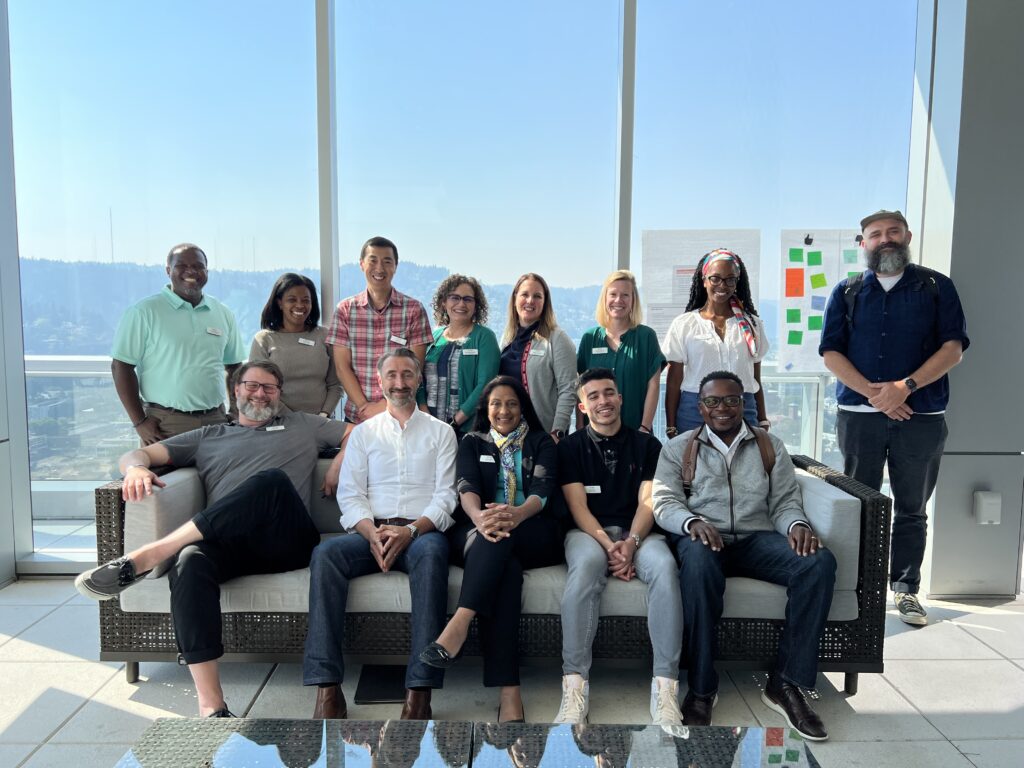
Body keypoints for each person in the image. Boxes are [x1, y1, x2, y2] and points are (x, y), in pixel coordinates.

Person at [75, 360, 350, 717]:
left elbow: (361, 432)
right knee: (189, 562)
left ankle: (155, 552)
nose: (260, 393)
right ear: (235, 390)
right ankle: (212, 707)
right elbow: (137, 453)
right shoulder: (208, 436)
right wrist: (137, 468)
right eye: (252, 385)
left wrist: (341, 460)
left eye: (269, 388)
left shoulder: (302, 425)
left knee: (271, 481)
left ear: (280, 395)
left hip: (287, 541)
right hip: (228, 543)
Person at [652, 371, 836, 741]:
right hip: (703, 540)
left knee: (818, 561)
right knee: (699, 563)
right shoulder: (678, 448)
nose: (723, 408)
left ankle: (786, 684)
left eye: (732, 400)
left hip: (756, 541)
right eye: (713, 402)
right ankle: (702, 688)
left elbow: (784, 501)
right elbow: (664, 501)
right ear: (701, 408)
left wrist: (796, 524)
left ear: (745, 404)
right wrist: (690, 522)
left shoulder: (770, 446)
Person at [819, 210, 968, 626]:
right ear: (862, 242)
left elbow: (953, 348)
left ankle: (905, 592)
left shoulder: (937, 287)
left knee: (912, 507)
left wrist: (905, 388)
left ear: (907, 236)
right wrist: (875, 394)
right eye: (875, 234)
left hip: (921, 416)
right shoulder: (846, 291)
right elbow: (831, 352)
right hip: (859, 416)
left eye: (893, 232)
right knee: (858, 505)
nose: (885, 239)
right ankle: (858, 591)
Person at [303, 348, 457, 720]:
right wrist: (372, 533)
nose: (400, 383)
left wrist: (410, 531)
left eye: (407, 375)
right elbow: (350, 494)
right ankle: (327, 687)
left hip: (421, 534)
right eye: (392, 375)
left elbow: (446, 495)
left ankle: (419, 690)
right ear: (380, 381)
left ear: (419, 381)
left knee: (435, 554)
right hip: (372, 530)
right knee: (325, 555)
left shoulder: (442, 432)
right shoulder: (365, 434)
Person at [419, 375, 564, 722]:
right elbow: (465, 484)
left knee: (500, 538)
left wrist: (517, 514)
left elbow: (542, 489)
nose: (504, 410)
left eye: (512, 403)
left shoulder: (541, 441)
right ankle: (509, 693)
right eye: (497, 403)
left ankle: (460, 621)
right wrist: (479, 516)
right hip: (480, 527)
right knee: (506, 569)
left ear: (522, 408)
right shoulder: (471, 440)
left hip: (532, 527)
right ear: (486, 408)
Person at [554, 368, 683, 730]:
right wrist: (612, 546)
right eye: (593, 396)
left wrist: (632, 543)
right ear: (582, 405)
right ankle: (574, 686)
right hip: (590, 533)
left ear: (620, 398)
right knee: (586, 567)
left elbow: (649, 502)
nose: (603, 401)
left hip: (640, 534)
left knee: (664, 568)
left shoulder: (648, 445)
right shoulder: (570, 448)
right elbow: (579, 508)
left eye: (608, 393)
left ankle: (666, 687)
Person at [111, 243, 246, 444]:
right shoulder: (143, 312)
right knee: (166, 477)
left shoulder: (223, 313)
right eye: (181, 265)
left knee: (220, 476)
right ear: (168, 271)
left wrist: (235, 410)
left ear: (206, 271)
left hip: (216, 421)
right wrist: (140, 422)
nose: (191, 271)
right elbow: (120, 366)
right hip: (165, 424)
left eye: (198, 266)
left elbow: (234, 366)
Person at [661, 249, 768, 439]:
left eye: (730, 279)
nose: (722, 285)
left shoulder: (753, 325)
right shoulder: (684, 324)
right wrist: (671, 425)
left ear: (737, 282)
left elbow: (755, 379)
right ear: (704, 280)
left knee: (743, 467)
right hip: (695, 411)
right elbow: (674, 381)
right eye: (715, 278)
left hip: (742, 408)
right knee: (695, 467)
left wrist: (763, 419)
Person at [326, 236, 433, 423]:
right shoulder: (344, 310)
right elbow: (342, 367)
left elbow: (416, 367)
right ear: (361, 264)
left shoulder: (414, 310)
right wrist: (364, 407)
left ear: (395, 266)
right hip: (358, 417)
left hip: (402, 415)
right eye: (373, 260)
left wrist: (383, 406)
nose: (379, 268)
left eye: (387, 261)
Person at [576, 271, 665, 433]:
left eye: (625, 295)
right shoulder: (589, 338)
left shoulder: (646, 337)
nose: (618, 300)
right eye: (613, 294)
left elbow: (653, 385)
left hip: (636, 430)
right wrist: (580, 426)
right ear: (605, 299)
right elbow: (580, 388)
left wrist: (644, 427)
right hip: (596, 434)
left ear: (633, 301)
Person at [416, 274, 500, 435]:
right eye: (455, 297)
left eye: (468, 299)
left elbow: (486, 384)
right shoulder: (433, 337)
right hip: (428, 428)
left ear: (476, 305)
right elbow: (417, 375)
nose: (461, 303)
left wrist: (456, 421)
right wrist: (424, 412)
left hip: (467, 430)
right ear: (443, 302)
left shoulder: (484, 337)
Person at [249, 272, 342, 417]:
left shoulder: (324, 336)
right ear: (279, 303)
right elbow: (260, 389)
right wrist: (294, 421)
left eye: (305, 300)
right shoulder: (264, 340)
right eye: (292, 300)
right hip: (279, 422)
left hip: (322, 423)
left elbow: (335, 385)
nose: (300, 305)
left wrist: (324, 415)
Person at [498, 273, 576, 440]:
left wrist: (557, 432)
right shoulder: (506, 337)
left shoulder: (557, 338)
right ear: (515, 298)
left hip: (543, 435)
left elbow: (568, 390)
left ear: (545, 302)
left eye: (537, 296)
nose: (530, 300)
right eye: (525, 294)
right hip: (507, 434)